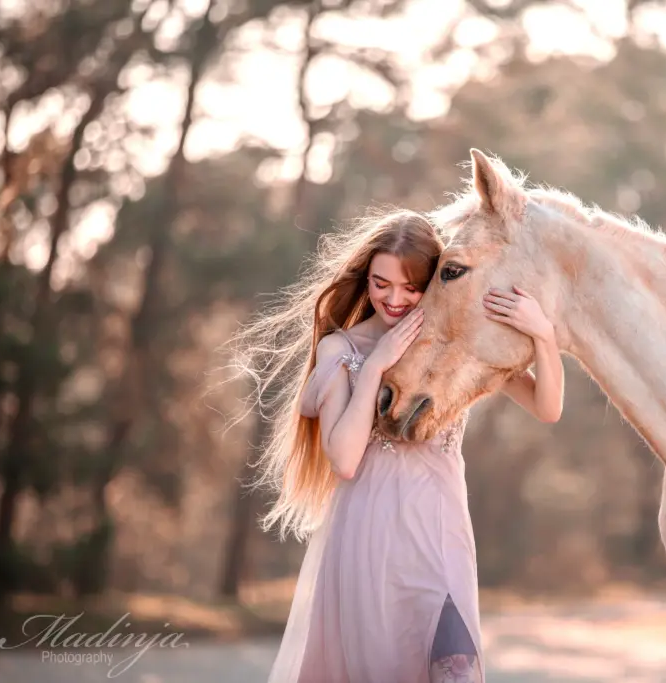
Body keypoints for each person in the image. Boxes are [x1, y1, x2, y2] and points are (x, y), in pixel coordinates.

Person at [241, 209, 565, 683]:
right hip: (370, 536)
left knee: (452, 669)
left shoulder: (455, 347)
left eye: (411, 286)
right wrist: (375, 368)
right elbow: (345, 460)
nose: (395, 298)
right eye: (381, 283)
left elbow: (547, 407)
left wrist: (543, 335)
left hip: (441, 531)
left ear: (434, 280)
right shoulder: (342, 351)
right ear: (365, 279)